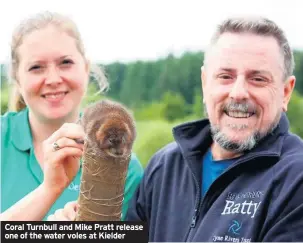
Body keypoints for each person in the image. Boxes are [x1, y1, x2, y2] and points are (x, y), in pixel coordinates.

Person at [125, 16, 303, 242]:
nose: (238, 92)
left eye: (257, 79)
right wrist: (75, 228)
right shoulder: (164, 167)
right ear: (205, 82)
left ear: (285, 92)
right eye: (225, 76)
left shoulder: (296, 179)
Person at [1, 11, 143, 221]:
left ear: (85, 69)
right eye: (36, 67)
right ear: (17, 79)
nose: (53, 78)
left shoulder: (122, 165)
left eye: (65, 63)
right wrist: (49, 190)